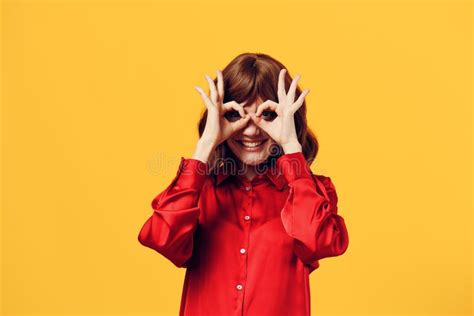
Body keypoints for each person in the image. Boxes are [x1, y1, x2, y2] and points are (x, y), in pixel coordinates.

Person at [138, 52, 349, 316]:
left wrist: (290, 145)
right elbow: (162, 239)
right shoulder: (199, 190)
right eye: (237, 115)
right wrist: (205, 145)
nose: (251, 130)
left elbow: (321, 243)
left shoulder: (309, 191)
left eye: (268, 115)